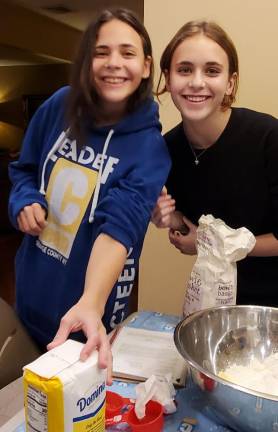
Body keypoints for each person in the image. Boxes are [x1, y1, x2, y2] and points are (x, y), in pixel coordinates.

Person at [8, 8, 171, 378]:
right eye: (102, 52)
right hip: (31, 296)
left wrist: (91, 303)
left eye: (127, 53)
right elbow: (24, 170)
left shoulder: (149, 148)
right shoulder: (58, 107)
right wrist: (24, 201)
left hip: (88, 317)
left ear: (146, 66)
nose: (114, 63)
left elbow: (120, 226)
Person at [152, 20, 278, 307]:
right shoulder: (166, 150)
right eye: (184, 69)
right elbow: (194, 234)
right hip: (218, 306)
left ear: (230, 82)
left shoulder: (268, 137)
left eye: (211, 70)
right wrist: (169, 218)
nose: (197, 82)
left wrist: (216, 244)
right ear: (168, 79)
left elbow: (206, 240)